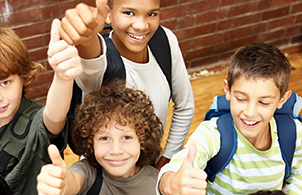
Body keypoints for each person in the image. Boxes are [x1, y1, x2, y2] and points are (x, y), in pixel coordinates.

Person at [0, 19, 82, 194]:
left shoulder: (37, 121)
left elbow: (54, 116)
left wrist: (62, 77)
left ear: (23, 77)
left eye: (5, 83)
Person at [59, 0, 195, 169]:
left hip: (148, 170)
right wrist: (85, 37)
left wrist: (166, 161)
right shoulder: (101, 61)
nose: (141, 25)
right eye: (129, 13)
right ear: (109, 14)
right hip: (105, 178)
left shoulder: (165, 41)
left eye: (151, 14)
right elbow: (90, 57)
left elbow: (185, 106)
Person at [157, 42, 302, 195]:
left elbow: (299, 174)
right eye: (240, 99)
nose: (250, 112)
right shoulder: (213, 134)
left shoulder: (294, 134)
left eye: (264, 102)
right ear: (227, 90)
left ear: (282, 100)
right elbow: (179, 165)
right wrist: (169, 183)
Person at [36, 80, 164, 195]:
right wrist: (63, 184)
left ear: (142, 140)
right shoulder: (88, 173)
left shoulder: (159, 184)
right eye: (104, 138)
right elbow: (74, 180)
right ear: (91, 144)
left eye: (126, 137)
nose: (116, 150)